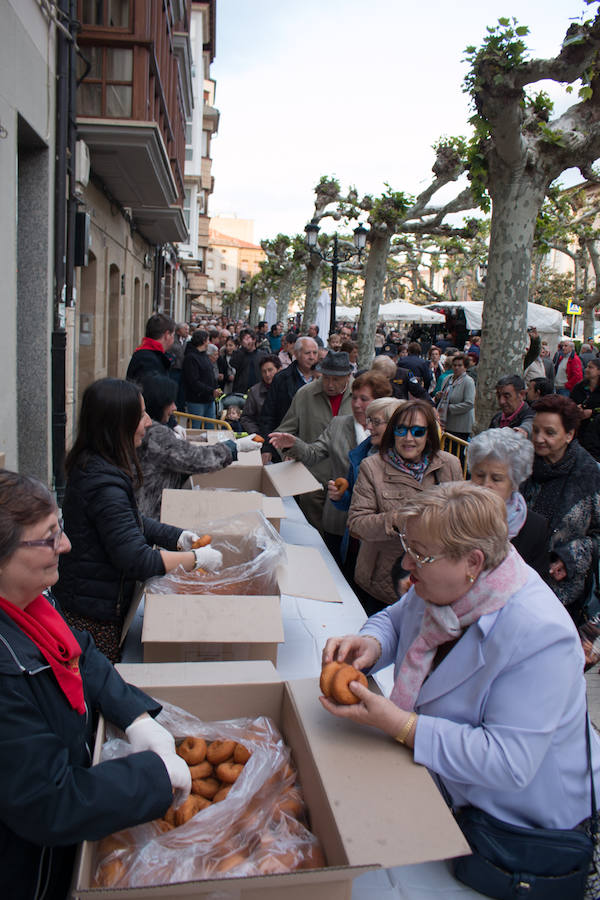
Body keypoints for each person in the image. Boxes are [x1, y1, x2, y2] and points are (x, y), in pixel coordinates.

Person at [321, 482, 600, 899]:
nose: (407, 563)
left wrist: (402, 725)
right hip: (445, 789)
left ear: (473, 560)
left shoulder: (541, 635)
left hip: (518, 822)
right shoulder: (445, 583)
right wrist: (373, 643)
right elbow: (398, 619)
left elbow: (509, 763)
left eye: (421, 554)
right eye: (408, 545)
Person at [0, 469, 194, 899]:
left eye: (60, 529)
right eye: (49, 537)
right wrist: (153, 780)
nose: (65, 546)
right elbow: (46, 802)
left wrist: (136, 715)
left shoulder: (31, 600)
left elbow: (80, 652)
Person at [54, 378, 223, 662]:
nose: (148, 422)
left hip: (94, 599)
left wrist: (176, 537)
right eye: (141, 415)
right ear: (118, 423)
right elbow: (136, 559)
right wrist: (195, 559)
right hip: (93, 613)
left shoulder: (100, 467)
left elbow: (128, 522)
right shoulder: (103, 485)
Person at [347, 399, 463, 613]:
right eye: (402, 430)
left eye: (418, 431)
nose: (409, 438)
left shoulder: (450, 465)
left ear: (429, 434)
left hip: (433, 582)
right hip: (381, 585)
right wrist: (397, 519)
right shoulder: (372, 468)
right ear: (393, 432)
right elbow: (356, 524)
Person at [268, 372, 392, 562]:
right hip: (338, 519)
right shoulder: (339, 424)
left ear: (380, 402)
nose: (357, 404)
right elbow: (313, 454)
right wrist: (293, 444)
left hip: (373, 523)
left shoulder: (392, 433)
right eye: (354, 397)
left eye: (364, 399)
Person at [522, 394, 600, 621]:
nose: (539, 438)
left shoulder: (588, 475)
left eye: (549, 432)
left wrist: (569, 558)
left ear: (569, 434)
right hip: (516, 584)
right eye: (536, 430)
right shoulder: (521, 464)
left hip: (561, 597)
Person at [135, 376, 245, 520]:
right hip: (152, 514)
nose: (175, 408)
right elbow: (197, 459)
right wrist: (234, 447)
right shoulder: (156, 434)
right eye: (170, 403)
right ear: (159, 404)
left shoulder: (149, 431)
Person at [269, 350, 354, 531]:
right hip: (312, 483)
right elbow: (284, 432)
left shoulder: (360, 397)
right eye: (326, 378)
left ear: (348, 376)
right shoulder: (305, 394)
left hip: (348, 483)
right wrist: (287, 454)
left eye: (336, 379)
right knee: (314, 536)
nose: (330, 384)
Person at [468, 428, 550, 577]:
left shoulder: (534, 528)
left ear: (514, 482)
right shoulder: (452, 513)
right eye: (479, 475)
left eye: (496, 479)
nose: (486, 484)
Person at [259, 337, 319, 461]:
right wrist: (267, 447)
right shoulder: (281, 379)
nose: (312, 357)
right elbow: (268, 415)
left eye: (315, 353)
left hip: (315, 448)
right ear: (296, 354)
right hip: (285, 446)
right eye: (307, 353)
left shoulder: (323, 380)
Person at [182, 329, 221, 427]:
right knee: (196, 427)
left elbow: (210, 374)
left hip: (209, 398)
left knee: (210, 426)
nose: (209, 342)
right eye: (208, 340)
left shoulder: (204, 355)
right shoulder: (190, 358)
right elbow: (193, 381)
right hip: (196, 400)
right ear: (204, 341)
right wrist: (210, 390)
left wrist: (215, 389)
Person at [435, 352, 475, 440]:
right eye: (454, 365)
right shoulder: (447, 379)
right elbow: (443, 395)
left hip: (460, 426)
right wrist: (439, 396)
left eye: (460, 365)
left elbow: (469, 403)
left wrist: (450, 408)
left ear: (465, 367)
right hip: (445, 423)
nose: (456, 368)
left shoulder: (468, 381)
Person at [239, 354, 282, 435]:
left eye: (270, 370)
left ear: (279, 370)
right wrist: (256, 433)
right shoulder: (254, 391)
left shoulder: (288, 388)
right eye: (264, 371)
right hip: (263, 435)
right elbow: (246, 418)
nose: (267, 374)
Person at [126, 313, 175, 382]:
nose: (173, 338)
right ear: (167, 335)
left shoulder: (148, 354)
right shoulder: (147, 360)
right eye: (173, 335)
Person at [571, 359, 600, 460]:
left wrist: (593, 412)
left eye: (590, 367)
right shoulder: (579, 387)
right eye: (587, 366)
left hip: (596, 438)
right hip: (580, 434)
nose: (586, 369)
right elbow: (569, 403)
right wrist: (575, 409)